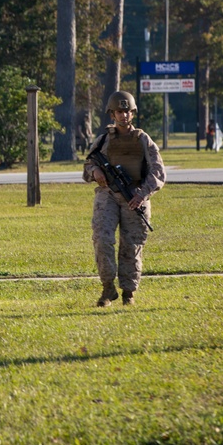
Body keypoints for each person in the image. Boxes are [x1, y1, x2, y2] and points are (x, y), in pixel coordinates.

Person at [83, 91, 166, 307]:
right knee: (102, 239)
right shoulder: (103, 140)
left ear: (133, 113)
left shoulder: (143, 140)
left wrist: (142, 194)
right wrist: (95, 173)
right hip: (108, 195)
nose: (124, 116)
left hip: (135, 197)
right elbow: (88, 165)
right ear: (112, 114)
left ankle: (129, 292)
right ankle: (107, 288)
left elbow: (158, 173)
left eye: (127, 111)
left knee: (132, 246)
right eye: (120, 111)